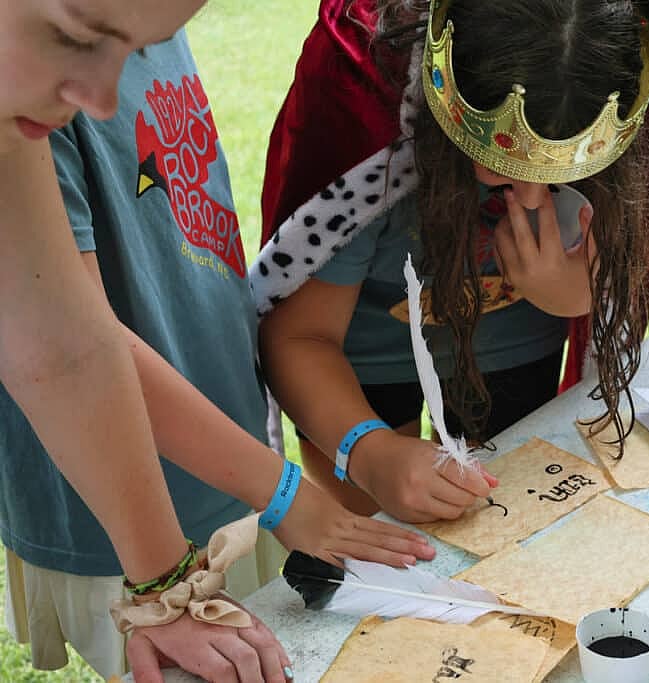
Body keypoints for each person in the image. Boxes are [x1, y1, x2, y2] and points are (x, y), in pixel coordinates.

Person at [0, 3, 434, 681]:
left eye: (148, 44)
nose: (103, 97)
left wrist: (167, 581)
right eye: (75, 36)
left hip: (213, 483)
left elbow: (65, 336)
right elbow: (66, 338)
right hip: (111, 491)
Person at [255, 0, 649, 521]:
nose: (529, 197)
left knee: (507, 520)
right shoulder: (363, 98)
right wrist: (370, 452)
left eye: (561, 173)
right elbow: (298, 336)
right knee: (372, 530)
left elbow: (617, 281)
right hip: (355, 364)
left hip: (515, 353)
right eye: (504, 167)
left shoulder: (614, 73)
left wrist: (578, 296)